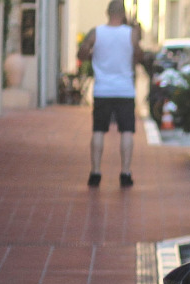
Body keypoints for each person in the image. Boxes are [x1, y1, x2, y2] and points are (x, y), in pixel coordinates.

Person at [77, 0, 143, 187]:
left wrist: (93, 55)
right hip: (125, 90)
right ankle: (125, 173)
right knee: (127, 132)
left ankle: (95, 173)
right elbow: (138, 57)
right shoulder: (131, 34)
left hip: (102, 90)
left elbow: (81, 54)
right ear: (123, 14)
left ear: (107, 13)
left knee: (98, 130)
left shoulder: (96, 32)